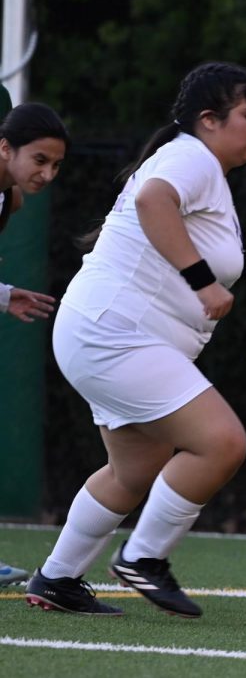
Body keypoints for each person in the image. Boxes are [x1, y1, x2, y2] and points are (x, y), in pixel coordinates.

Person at [25, 62, 246, 618]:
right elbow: (153, 205)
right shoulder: (191, 155)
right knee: (222, 442)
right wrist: (203, 283)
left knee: (134, 471)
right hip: (116, 334)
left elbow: (181, 232)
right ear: (209, 120)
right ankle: (143, 558)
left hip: (101, 330)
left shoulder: (194, 162)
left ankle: (56, 577)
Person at [0, 98, 70, 588]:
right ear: (6, 148)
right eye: (39, 160)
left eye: (56, 165)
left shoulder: (11, 199)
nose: (47, 173)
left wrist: (5, 297)